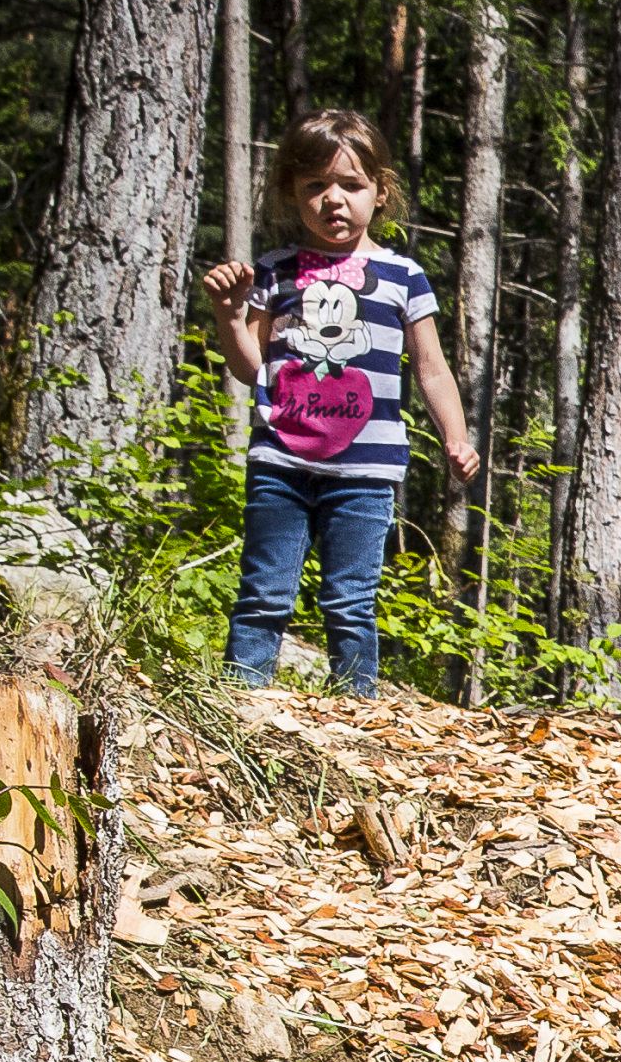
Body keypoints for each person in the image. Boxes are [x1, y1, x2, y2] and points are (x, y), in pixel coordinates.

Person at [195, 109, 478, 693]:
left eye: (351, 185)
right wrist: (229, 316)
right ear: (291, 192)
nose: (334, 200)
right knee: (264, 593)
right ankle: (240, 704)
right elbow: (251, 369)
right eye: (315, 185)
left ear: (380, 191)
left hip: (366, 470)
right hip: (281, 463)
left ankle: (356, 713)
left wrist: (456, 435)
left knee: (351, 601)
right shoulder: (274, 271)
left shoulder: (402, 276)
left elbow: (431, 367)